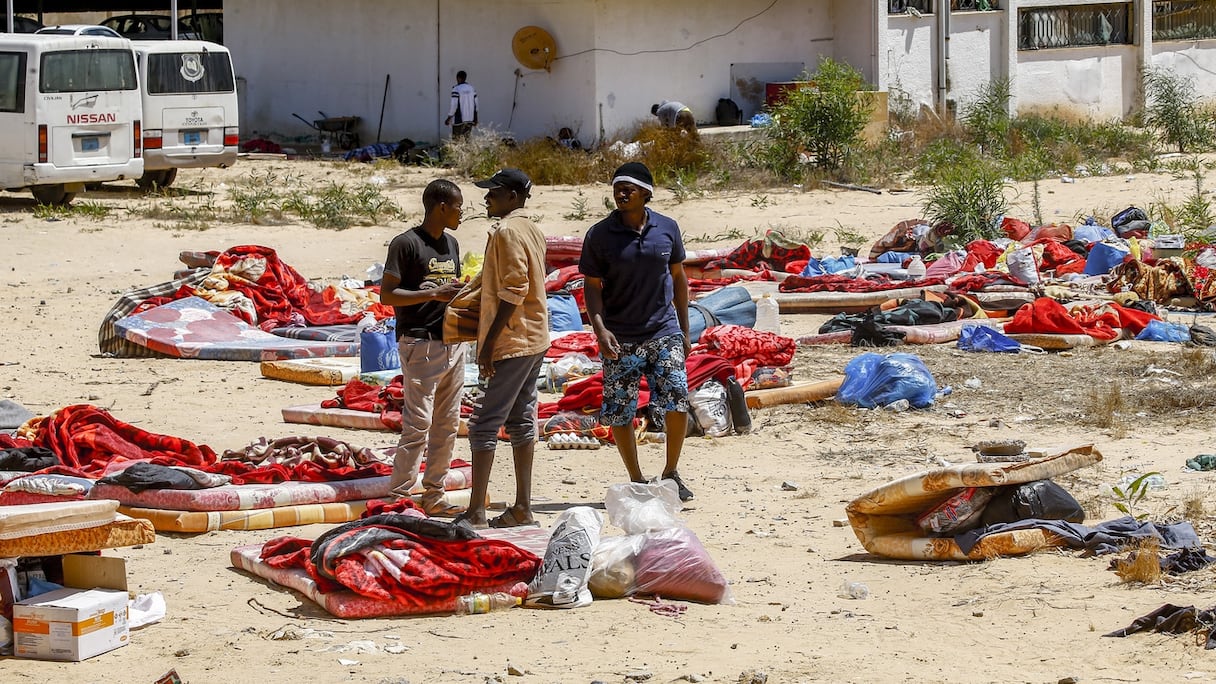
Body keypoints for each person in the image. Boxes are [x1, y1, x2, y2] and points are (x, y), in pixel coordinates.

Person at [579, 162, 695, 502]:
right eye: (617, 187)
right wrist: (600, 330)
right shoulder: (599, 235)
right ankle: (636, 478)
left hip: (664, 330)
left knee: (677, 399)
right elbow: (591, 286)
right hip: (620, 336)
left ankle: (671, 472)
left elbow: (678, 279)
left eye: (628, 187)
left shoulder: (667, 229)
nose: (621, 192)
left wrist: (684, 330)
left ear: (646, 192)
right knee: (620, 409)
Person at [457, 168, 550, 528]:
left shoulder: (509, 230)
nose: (486, 199)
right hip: (536, 335)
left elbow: (515, 289)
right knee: (521, 419)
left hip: (514, 339)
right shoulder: (531, 227)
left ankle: (476, 511)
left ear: (512, 196)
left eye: (493, 193)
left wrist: (489, 343)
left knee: (482, 424)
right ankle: (523, 507)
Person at [379, 179, 467, 516]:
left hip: (453, 344)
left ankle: (434, 495)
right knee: (417, 425)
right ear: (441, 207)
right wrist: (431, 294)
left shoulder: (452, 244)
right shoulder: (406, 244)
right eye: (458, 206)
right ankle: (398, 498)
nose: (461, 213)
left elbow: (448, 291)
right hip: (420, 344)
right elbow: (387, 295)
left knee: (447, 425)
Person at [444, 70, 478, 139]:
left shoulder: (456, 89)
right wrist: (476, 119)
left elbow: (454, 105)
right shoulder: (472, 88)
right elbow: (476, 105)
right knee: (466, 141)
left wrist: (449, 118)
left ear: (458, 78)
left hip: (458, 120)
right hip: (470, 119)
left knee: (456, 141)